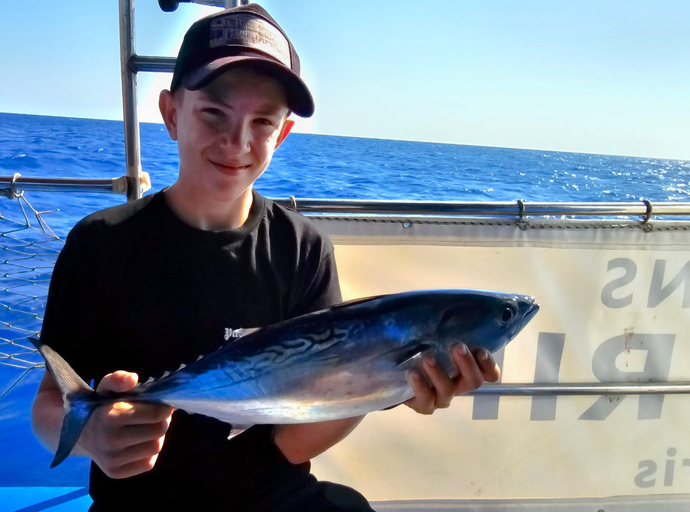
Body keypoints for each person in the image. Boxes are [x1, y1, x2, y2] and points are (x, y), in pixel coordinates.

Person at [31, 4, 500, 511]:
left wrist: (386, 385)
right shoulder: (102, 242)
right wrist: (93, 438)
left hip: (270, 498)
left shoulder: (302, 249)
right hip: (141, 502)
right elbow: (51, 406)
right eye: (215, 113)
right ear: (170, 113)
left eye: (262, 122)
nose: (238, 141)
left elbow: (290, 442)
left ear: (282, 135)